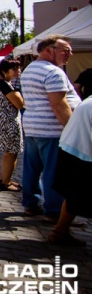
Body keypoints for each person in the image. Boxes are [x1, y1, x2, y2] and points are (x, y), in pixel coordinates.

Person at [20, 35, 81, 220]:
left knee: (32, 168)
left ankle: (30, 203)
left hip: (33, 126)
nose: (69, 54)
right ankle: (54, 211)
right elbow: (59, 104)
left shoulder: (30, 69)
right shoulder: (53, 72)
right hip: (52, 129)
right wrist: (72, 129)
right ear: (49, 50)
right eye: (65, 51)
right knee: (53, 171)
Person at [50, 96, 92, 246]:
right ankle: (59, 231)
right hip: (83, 154)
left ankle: (59, 231)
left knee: (73, 194)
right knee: (76, 194)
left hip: (71, 148)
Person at [0, 58, 25, 192]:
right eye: (15, 69)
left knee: (8, 152)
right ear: (5, 71)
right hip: (8, 121)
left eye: (19, 68)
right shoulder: (5, 84)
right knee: (11, 153)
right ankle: (5, 182)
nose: (18, 71)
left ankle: (5, 178)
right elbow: (20, 104)